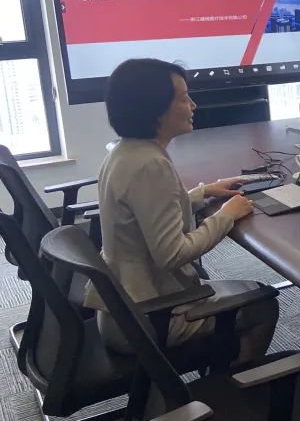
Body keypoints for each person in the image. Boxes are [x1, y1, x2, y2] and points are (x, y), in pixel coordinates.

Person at [90, 58, 278, 365]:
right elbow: (173, 254)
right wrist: (226, 216)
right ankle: (235, 387)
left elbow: (147, 214)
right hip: (150, 318)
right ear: (155, 109)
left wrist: (202, 193)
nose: (193, 105)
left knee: (245, 293)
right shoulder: (151, 166)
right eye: (183, 98)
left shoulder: (124, 151)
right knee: (262, 304)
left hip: (123, 308)